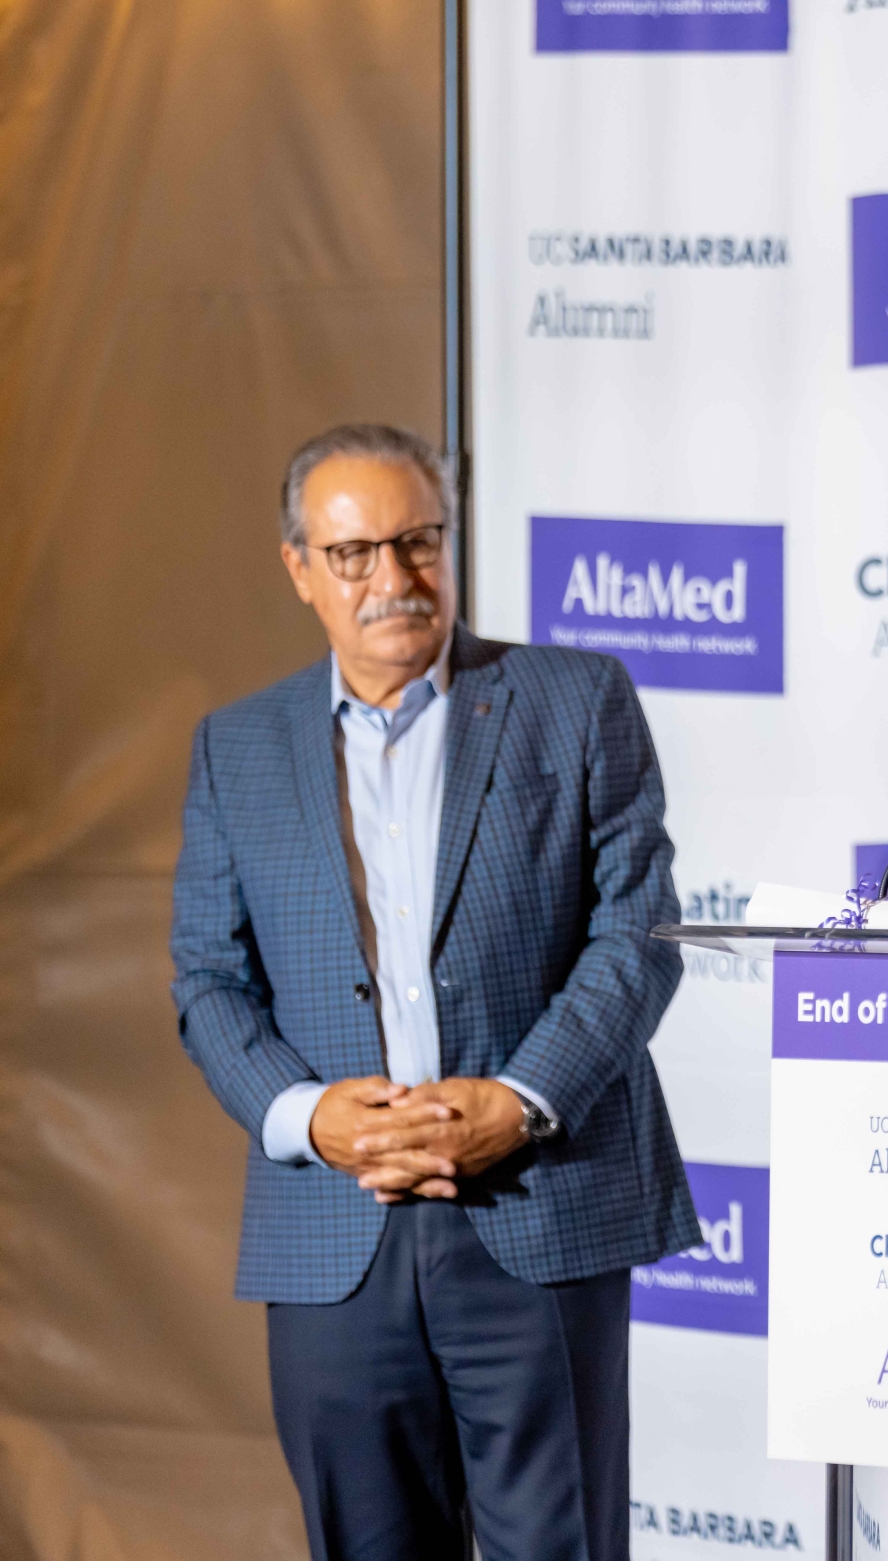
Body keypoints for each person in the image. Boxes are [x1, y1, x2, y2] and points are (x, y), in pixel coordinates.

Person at [170, 423, 697, 1559]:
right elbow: (209, 981)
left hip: (538, 1206)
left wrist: (519, 1099)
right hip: (332, 1231)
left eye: (418, 542)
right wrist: (312, 1119)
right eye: (354, 553)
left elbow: (638, 934)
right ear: (300, 569)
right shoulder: (236, 749)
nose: (394, 580)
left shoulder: (575, 697)